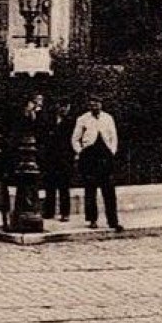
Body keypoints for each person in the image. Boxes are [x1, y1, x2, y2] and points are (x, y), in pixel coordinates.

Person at [72, 95, 122, 232]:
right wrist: (81, 152)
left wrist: (112, 151)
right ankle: (92, 219)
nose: (95, 106)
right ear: (89, 106)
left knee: (109, 190)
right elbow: (75, 139)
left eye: (97, 103)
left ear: (101, 104)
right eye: (92, 104)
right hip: (90, 155)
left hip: (105, 156)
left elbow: (114, 137)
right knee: (90, 189)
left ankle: (113, 220)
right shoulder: (83, 119)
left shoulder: (108, 118)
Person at [40, 99, 74, 222]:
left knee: (64, 187)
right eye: (61, 106)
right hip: (51, 158)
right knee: (50, 185)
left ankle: (65, 213)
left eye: (66, 106)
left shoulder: (71, 122)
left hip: (65, 158)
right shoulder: (50, 121)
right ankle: (49, 211)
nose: (63, 109)